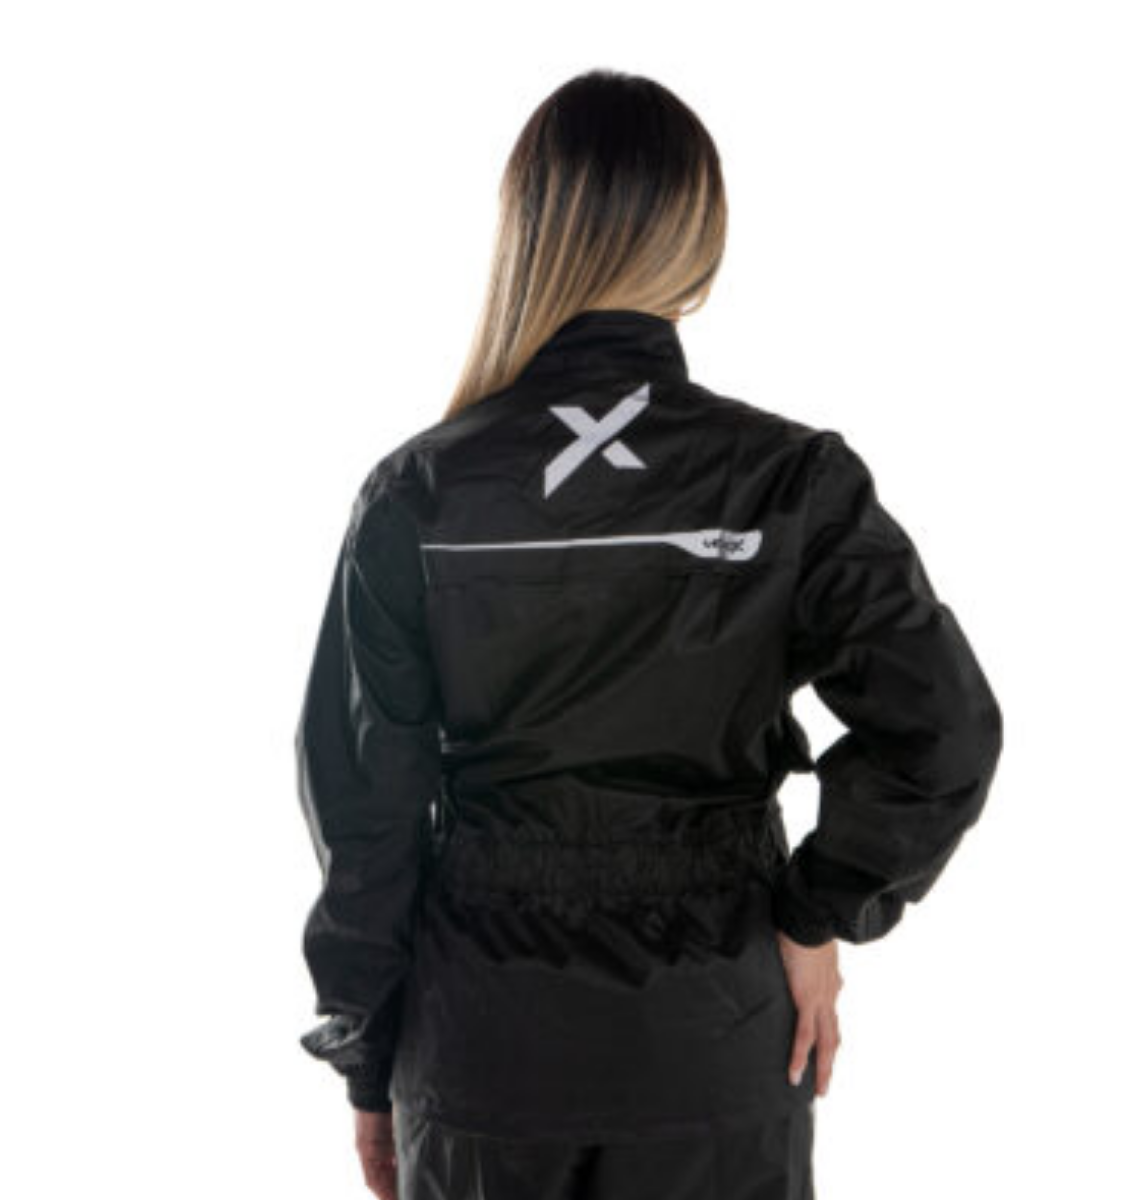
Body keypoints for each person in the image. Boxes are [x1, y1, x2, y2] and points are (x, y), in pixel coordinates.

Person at [294, 68, 1003, 1200]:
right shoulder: (790, 483)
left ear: (528, 234)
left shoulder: (418, 496)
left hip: (485, 1048)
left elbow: (364, 811)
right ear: (700, 243)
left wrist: (368, 1059)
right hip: (716, 1033)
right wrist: (815, 913)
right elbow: (945, 733)